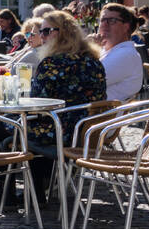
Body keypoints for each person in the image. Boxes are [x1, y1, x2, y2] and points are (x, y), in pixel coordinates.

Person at [17, 11, 108, 208]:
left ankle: (10, 195)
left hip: (60, 131)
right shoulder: (93, 61)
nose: (43, 36)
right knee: (32, 125)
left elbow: (36, 102)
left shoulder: (51, 63)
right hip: (87, 132)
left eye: (48, 31)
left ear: (64, 33)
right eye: (41, 32)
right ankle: (40, 188)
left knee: (11, 129)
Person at [98, 3, 144, 102]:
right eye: (102, 20)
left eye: (112, 21)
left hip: (102, 115)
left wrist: (86, 50)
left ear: (125, 27)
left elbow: (86, 81)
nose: (105, 24)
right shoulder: (108, 50)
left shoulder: (126, 55)